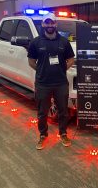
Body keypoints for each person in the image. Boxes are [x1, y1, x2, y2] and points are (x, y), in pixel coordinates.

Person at [27, 12, 75, 150]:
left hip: (60, 83)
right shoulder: (36, 42)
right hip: (43, 84)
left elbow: (71, 59)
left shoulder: (64, 42)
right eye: (47, 23)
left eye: (52, 22)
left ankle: (63, 133)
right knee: (42, 113)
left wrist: (61, 69)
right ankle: (43, 135)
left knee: (63, 111)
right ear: (43, 24)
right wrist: (42, 70)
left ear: (56, 24)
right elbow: (31, 61)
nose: (49, 25)